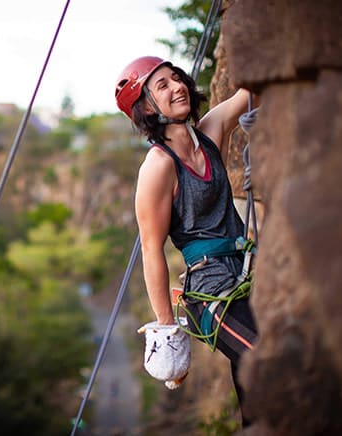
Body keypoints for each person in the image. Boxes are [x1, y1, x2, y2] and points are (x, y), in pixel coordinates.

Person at [114, 56, 258, 425]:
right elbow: (151, 249)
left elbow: (251, 91)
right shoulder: (159, 167)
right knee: (266, 359)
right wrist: (166, 328)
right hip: (210, 289)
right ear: (146, 107)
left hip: (247, 270)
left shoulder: (209, 133)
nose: (177, 86)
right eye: (162, 85)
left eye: (176, 78)